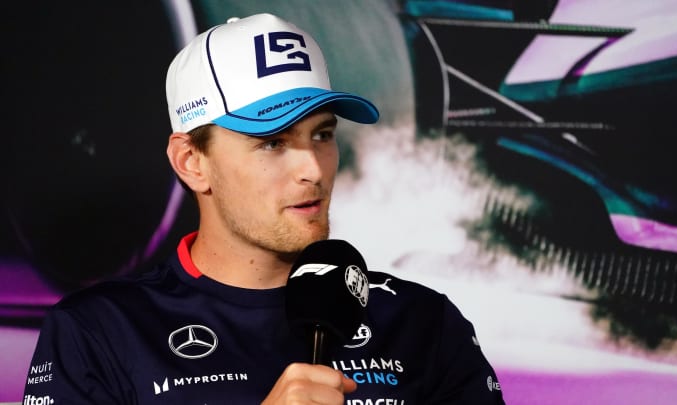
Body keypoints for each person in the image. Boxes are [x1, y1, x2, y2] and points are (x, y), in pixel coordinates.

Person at [23, 13, 505, 404]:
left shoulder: (423, 322)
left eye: (322, 134)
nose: (313, 169)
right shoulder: (98, 332)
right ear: (192, 162)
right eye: (272, 142)